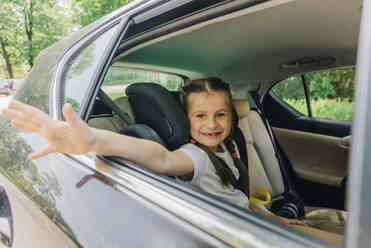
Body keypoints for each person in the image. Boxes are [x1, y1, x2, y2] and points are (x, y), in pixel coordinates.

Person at [1, 77, 305, 226]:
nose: (212, 124)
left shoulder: (228, 145)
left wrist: (275, 220)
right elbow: (160, 157)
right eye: (200, 116)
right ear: (186, 120)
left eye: (221, 115)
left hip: (254, 221)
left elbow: (239, 201)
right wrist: (93, 139)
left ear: (231, 116)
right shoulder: (195, 157)